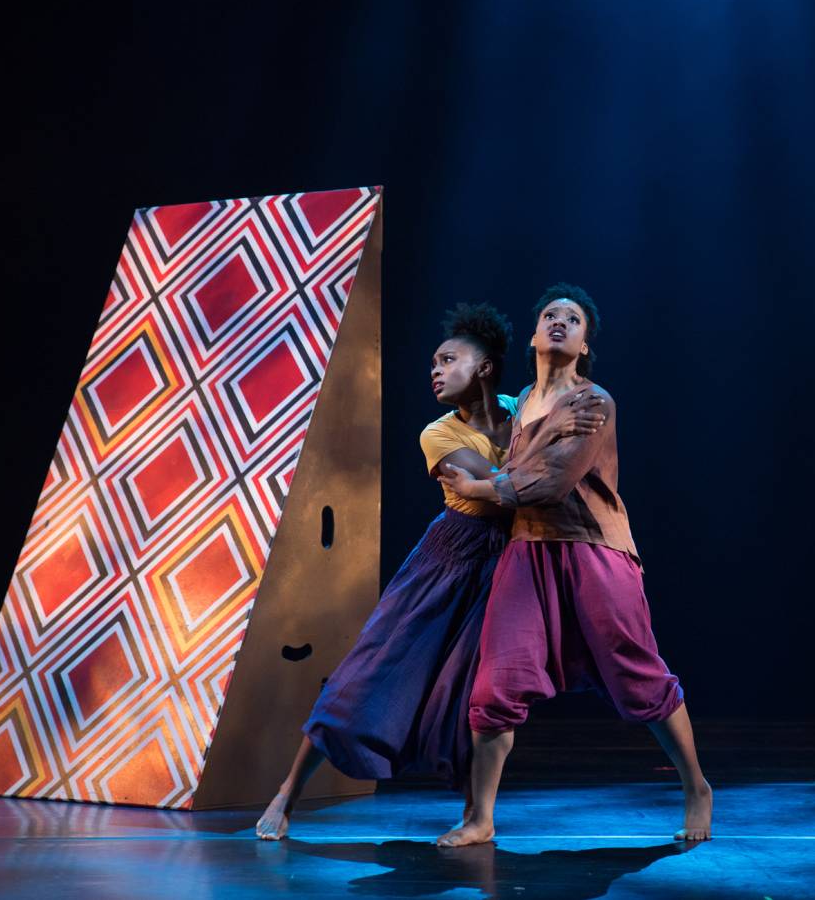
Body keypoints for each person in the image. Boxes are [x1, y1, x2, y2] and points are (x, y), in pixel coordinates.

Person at [254, 302, 603, 840]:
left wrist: (555, 425)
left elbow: (550, 471)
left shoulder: (523, 408)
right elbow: (499, 489)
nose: (435, 371)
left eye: (447, 360)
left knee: (475, 692)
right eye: (433, 364)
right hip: (445, 562)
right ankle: (287, 793)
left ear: (484, 368)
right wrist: (554, 427)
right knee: (368, 672)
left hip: (504, 565)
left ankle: (475, 816)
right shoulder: (437, 434)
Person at [435, 283, 714, 847]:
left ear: (585, 345)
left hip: (594, 549)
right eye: (550, 315)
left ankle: (697, 787)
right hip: (526, 554)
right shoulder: (517, 408)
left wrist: (482, 487)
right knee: (496, 685)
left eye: (574, 319)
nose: (560, 322)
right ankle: (480, 819)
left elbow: (554, 481)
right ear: (536, 335)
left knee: (638, 678)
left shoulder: (593, 402)